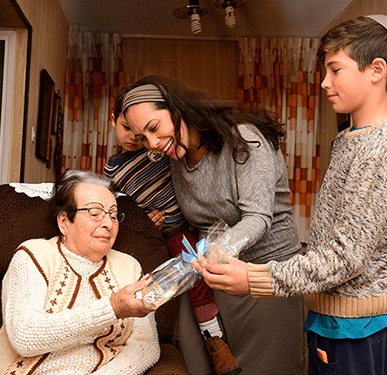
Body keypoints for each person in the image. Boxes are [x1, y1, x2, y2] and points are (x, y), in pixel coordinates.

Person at [191, 15, 387, 375]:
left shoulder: (378, 150)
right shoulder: (350, 140)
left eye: (335, 69)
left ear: (376, 70)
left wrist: (254, 278)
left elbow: (346, 258)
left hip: (355, 330)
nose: (325, 82)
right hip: (337, 321)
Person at [120, 76, 306, 374]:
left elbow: (258, 218)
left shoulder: (244, 139)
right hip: (216, 278)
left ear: (178, 109)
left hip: (266, 277)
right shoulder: (175, 157)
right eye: (143, 137)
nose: (153, 145)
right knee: (196, 360)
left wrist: (211, 255)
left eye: (154, 128)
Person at [104, 85, 241, 375]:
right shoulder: (112, 169)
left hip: (186, 229)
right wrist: (141, 220)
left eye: (141, 132)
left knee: (196, 276)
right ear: (111, 119)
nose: (135, 138)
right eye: (127, 129)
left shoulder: (161, 151)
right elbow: (118, 210)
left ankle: (215, 341)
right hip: (153, 234)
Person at [0, 170, 160, 375]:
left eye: (113, 215)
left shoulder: (130, 267)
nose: (108, 224)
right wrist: (113, 308)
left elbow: (145, 346)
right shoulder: (33, 255)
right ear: (64, 222)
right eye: (95, 213)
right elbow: (25, 336)